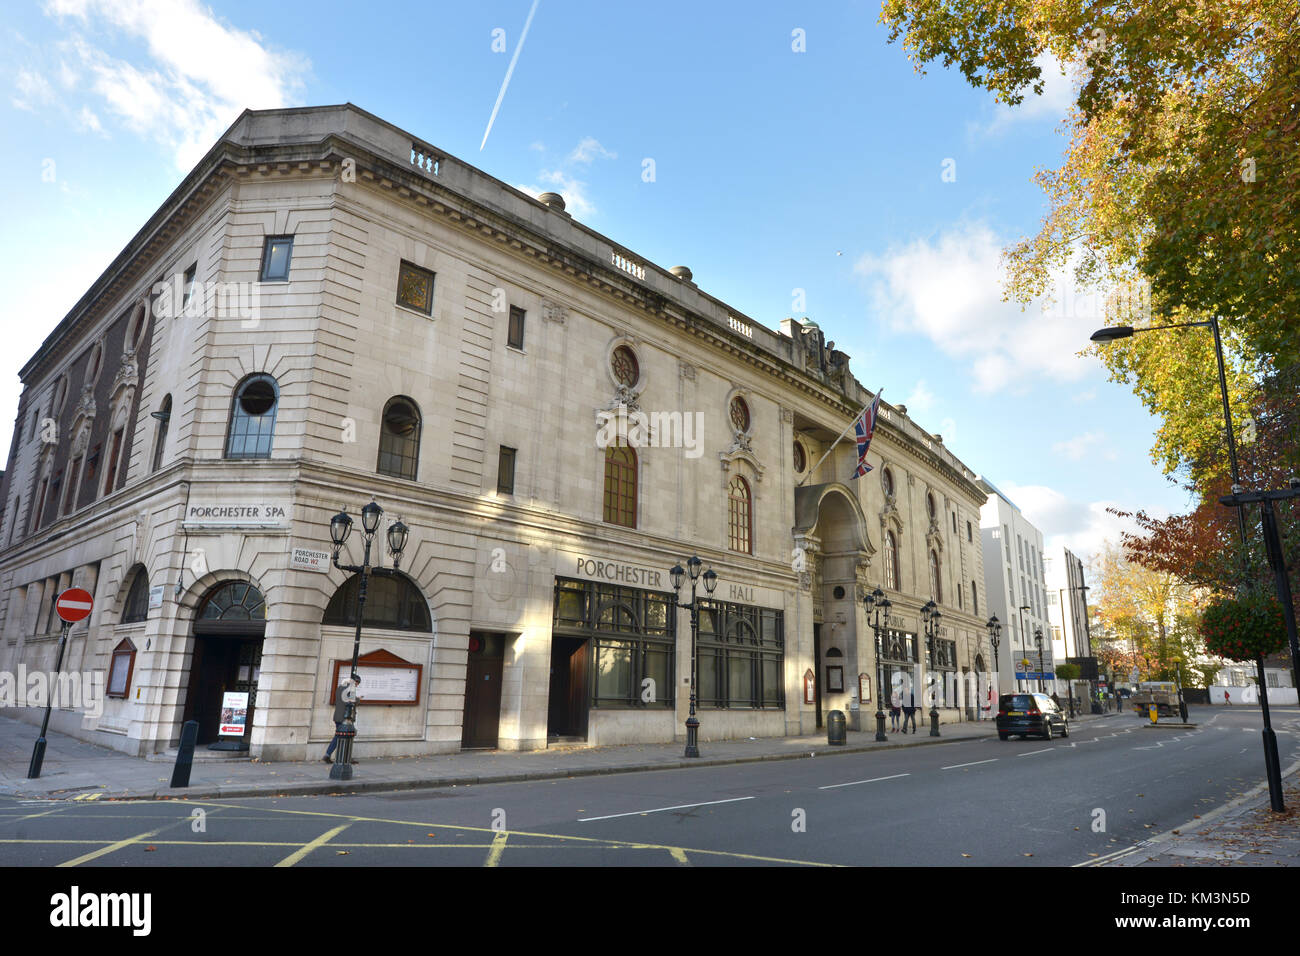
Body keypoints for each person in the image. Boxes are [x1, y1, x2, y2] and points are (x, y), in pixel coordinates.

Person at [323, 673, 361, 764]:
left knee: (338, 736)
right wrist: (358, 699)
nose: (357, 685)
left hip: (337, 716)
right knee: (347, 736)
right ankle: (346, 758)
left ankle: (328, 755)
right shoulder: (350, 690)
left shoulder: (340, 688)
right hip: (345, 718)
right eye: (357, 683)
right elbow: (351, 702)